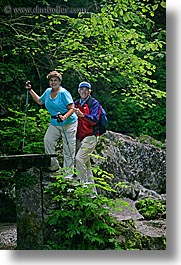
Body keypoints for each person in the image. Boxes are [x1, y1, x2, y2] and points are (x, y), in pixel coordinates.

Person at [25, 70, 78, 178]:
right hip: (54, 122)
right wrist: (30, 90)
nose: (53, 82)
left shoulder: (63, 93)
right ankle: (53, 165)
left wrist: (64, 117)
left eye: (55, 80)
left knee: (68, 148)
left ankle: (68, 174)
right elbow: (40, 101)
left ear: (59, 82)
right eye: (51, 80)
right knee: (48, 140)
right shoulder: (48, 91)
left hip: (68, 123)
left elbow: (72, 108)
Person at [74, 81, 101, 196]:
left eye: (86, 89)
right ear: (78, 91)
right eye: (82, 89)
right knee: (86, 165)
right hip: (79, 137)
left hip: (90, 137)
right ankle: (93, 194)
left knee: (79, 159)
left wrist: (83, 115)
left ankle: (83, 188)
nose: (83, 91)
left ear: (90, 91)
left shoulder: (94, 103)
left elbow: (95, 119)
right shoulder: (76, 103)